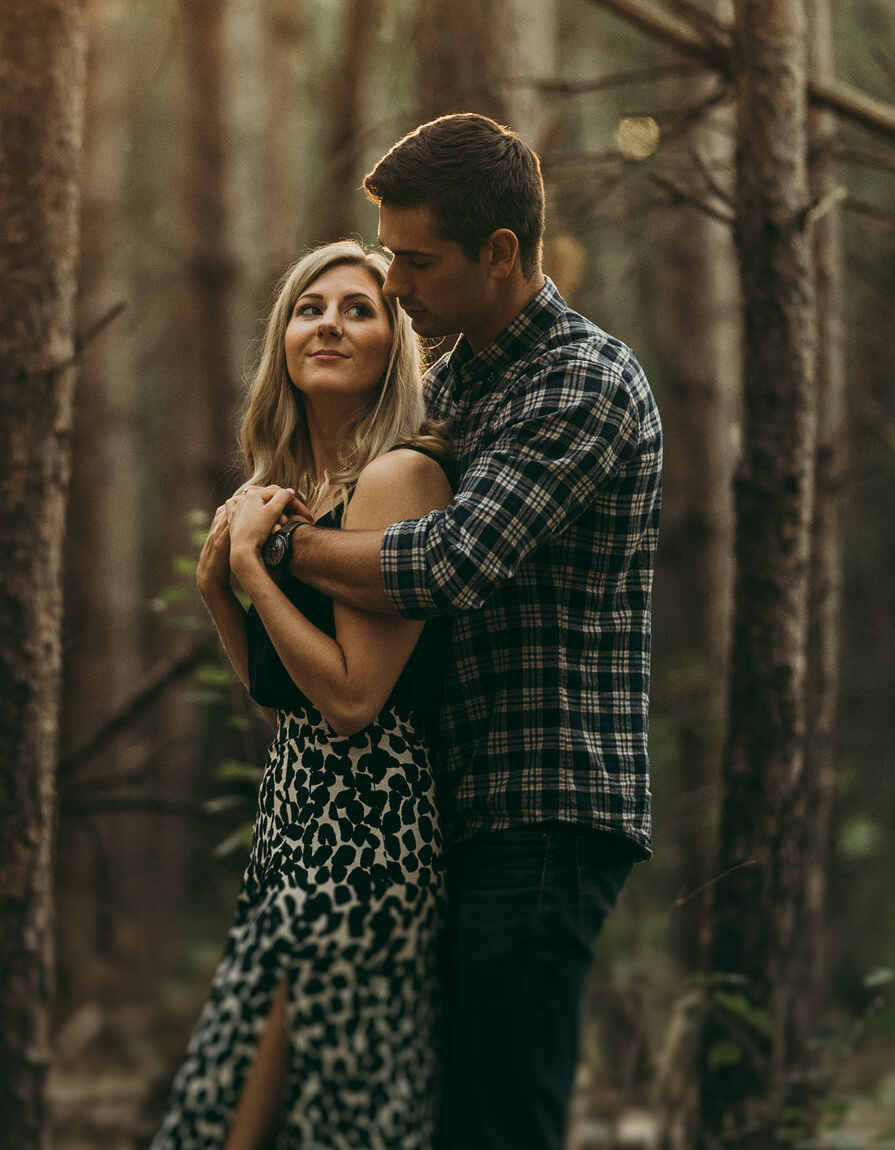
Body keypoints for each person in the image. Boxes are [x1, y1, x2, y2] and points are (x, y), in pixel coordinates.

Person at [234, 113, 662, 1150]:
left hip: (544, 810)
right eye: (389, 251)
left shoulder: (580, 381)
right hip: (447, 816)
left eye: (415, 259)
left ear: (500, 253)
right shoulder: (459, 375)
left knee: (496, 1114)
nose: (393, 281)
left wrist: (278, 545)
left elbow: (443, 564)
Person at [151, 239, 458, 1149]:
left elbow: (356, 701)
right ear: (282, 337)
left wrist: (253, 564)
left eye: (357, 307)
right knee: (277, 1102)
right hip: (295, 818)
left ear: (393, 340)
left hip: (370, 837)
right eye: (308, 306)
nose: (328, 322)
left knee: (290, 1106)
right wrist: (220, 591)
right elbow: (292, 697)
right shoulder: (294, 491)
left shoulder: (401, 477)